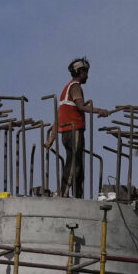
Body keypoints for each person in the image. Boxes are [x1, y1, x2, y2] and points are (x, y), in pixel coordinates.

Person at [53, 58, 107, 196]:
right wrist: (99, 110)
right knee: (73, 165)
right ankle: (64, 193)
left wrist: (52, 136)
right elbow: (81, 106)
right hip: (74, 130)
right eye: (86, 72)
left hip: (67, 132)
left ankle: (78, 195)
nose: (87, 75)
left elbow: (59, 114)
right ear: (80, 71)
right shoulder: (75, 86)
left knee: (78, 165)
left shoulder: (66, 88)